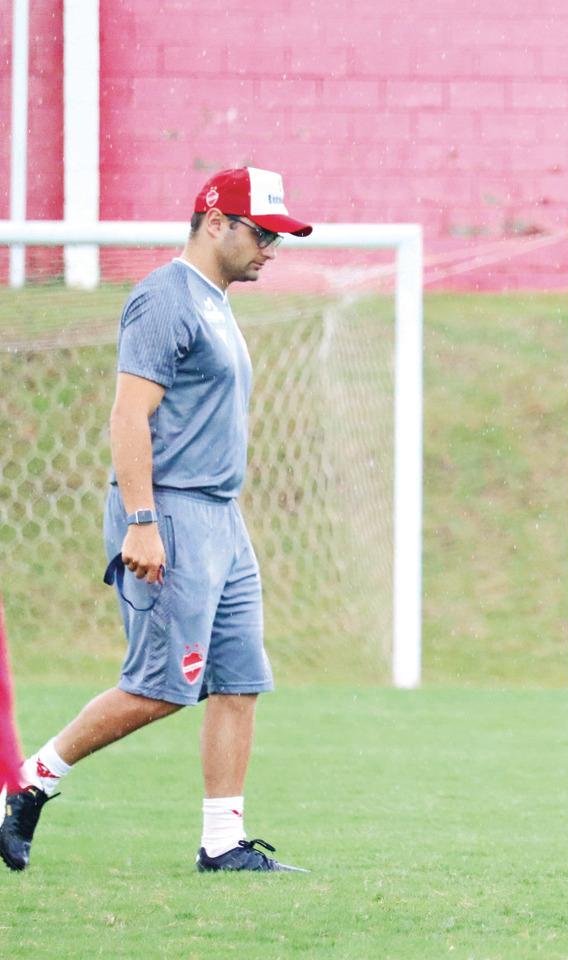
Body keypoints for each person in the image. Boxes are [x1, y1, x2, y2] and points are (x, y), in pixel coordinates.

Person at [1, 168, 312, 873]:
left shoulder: (216, 303)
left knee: (239, 680)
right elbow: (127, 415)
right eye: (262, 233)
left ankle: (223, 842)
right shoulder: (164, 299)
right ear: (214, 223)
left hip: (221, 520)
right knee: (159, 688)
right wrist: (142, 520)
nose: (272, 248)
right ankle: (25, 785)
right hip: (169, 513)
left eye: (278, 237)